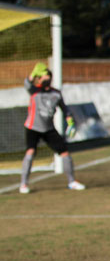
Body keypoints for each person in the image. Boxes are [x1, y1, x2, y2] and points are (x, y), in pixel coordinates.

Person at [19, 63, 85, 194]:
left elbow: (65, 110)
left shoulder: (56, 94)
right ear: (39, 79)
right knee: (30, 153)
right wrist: (33, 74)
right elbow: (27, 82)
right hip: (33, 127)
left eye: (47, 77)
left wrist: (70, 122)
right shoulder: (34, 91)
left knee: (65, 153)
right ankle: (23, 184)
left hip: (48, 129)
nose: (45, 80)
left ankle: (72, 181)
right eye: (43, 77)